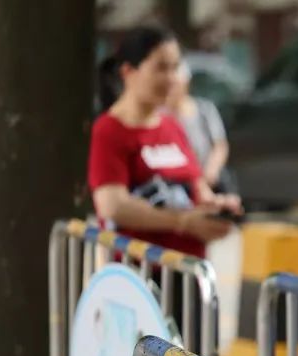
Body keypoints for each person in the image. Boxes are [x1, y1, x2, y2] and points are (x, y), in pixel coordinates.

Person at [89, 25, 241, 261]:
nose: (172, 78)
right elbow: (113, 205)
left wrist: (217, 207)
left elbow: (198, 189)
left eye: (175, 67)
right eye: (161, 68)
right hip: (139, 280)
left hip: (187, 274)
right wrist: (182, 223)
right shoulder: (109, 130)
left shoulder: (171, 126)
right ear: (128, 72)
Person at [168, 60, 238, 195]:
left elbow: (220, 145)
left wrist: (211, 171)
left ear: (186, 83)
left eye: (175, 84)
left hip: (207, 176)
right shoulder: (159, 115)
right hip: (178, 181)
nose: (172, 89)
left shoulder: (204, 109)